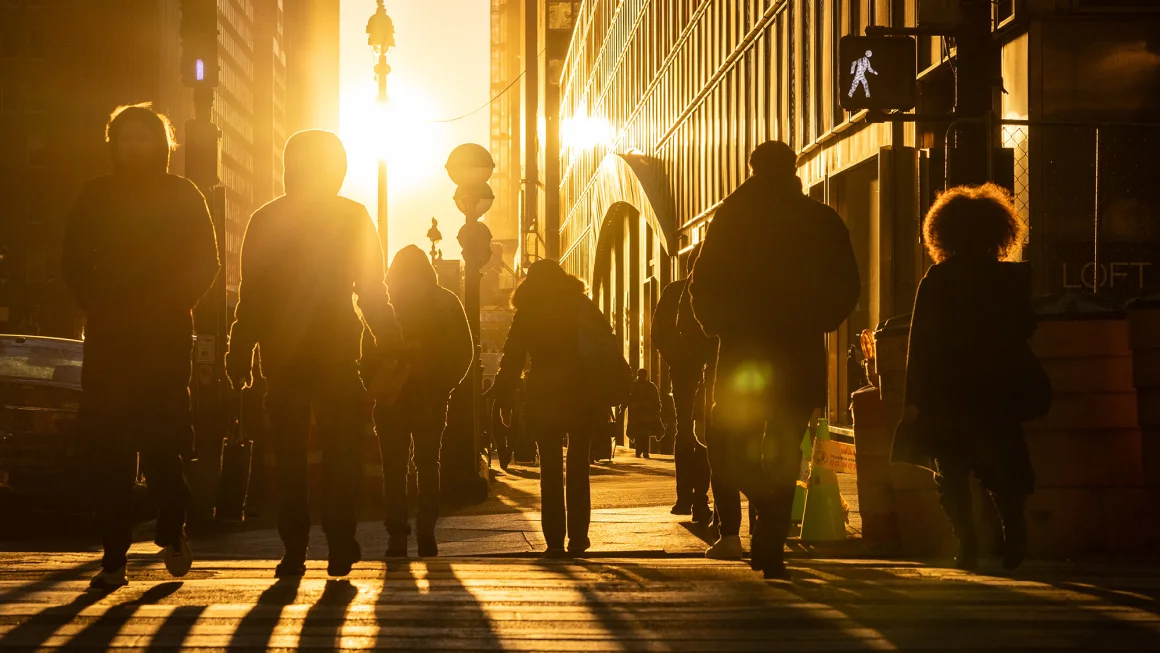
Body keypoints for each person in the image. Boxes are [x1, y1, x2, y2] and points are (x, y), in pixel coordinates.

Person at [225, 130, 402, 578]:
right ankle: (340, 540)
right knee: (340, 452)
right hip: (336, 351)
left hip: (286, 354)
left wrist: (241, 349)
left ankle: (295, 548)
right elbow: (371, 290)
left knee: (289, 457)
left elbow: (254, 295)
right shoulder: (353, 216)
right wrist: (390, 340)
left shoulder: (267, 218)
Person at [62, 103, 220, 590]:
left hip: (164, 337)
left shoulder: (184, 194)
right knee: (107, 447)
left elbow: (205, 261)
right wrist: (95, 303)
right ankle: (113, 557)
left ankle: (172, 527)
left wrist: (175, 303)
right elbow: (72, 259)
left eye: (144, 137)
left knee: (162, 443)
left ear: (162, 144)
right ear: (113, 143)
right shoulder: (96, 195)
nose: (134, 146)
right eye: (125, 137)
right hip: (110, 336)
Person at [691, 141, 860, 579]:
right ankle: (771, 545)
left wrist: (719, 325)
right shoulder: (819, 219)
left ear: (753, 168)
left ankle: (765, 515)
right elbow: (847, 284)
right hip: (797, 350)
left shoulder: (731, 217)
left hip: (743, 353)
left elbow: (702, 281)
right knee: (785, 450)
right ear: (794, 169)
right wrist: (817, 320)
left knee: (729, 445)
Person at [893, 183, 1046, 571]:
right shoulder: (1010, 280)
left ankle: (967, 545)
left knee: (952, 472)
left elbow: (920, 344)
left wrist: (913, 399)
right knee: (1003, 468)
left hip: (948, 390)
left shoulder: (937, 280)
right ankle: (1013, 532)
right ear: (1000, 231)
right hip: (998, 388)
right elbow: (1026, 327)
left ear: (942, 232)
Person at [489, 260, 610, 557]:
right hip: (582, 393)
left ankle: (555, 540)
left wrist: (504, 399)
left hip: (544, 394)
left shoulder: (529, 311)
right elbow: (607, 343)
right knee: (579, 465)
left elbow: (513, 357)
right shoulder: (581, 304)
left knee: (551, 469)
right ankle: (579, 538)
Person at [375, 245, 472, 558]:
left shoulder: (386, 304)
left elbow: (365, 350)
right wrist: (445, 384)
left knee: (394, 466)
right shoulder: (446, 300)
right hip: (431, 394)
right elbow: (465, 351)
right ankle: (427, 531)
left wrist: (374, 384)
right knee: (429, 463)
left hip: (392, 395)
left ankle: (397, 536)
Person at [653, 247, 714, 524]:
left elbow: (658, 333)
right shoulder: (679, 291)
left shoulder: (674, 290)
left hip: (692, 370)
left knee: (689, 430)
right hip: (698, 369)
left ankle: (690, 497)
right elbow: (660, 333)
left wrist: (675, 357)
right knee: (699, 430)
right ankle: (695, 498)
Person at [626, 369, 662, 459]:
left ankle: (644, 451)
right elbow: (630, 398)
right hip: (638, 413)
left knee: (644, 433)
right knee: (639, 433)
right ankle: (639, 451)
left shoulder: (650, 386)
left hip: (646, 413)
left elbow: (655, 399)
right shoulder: (634, 386)